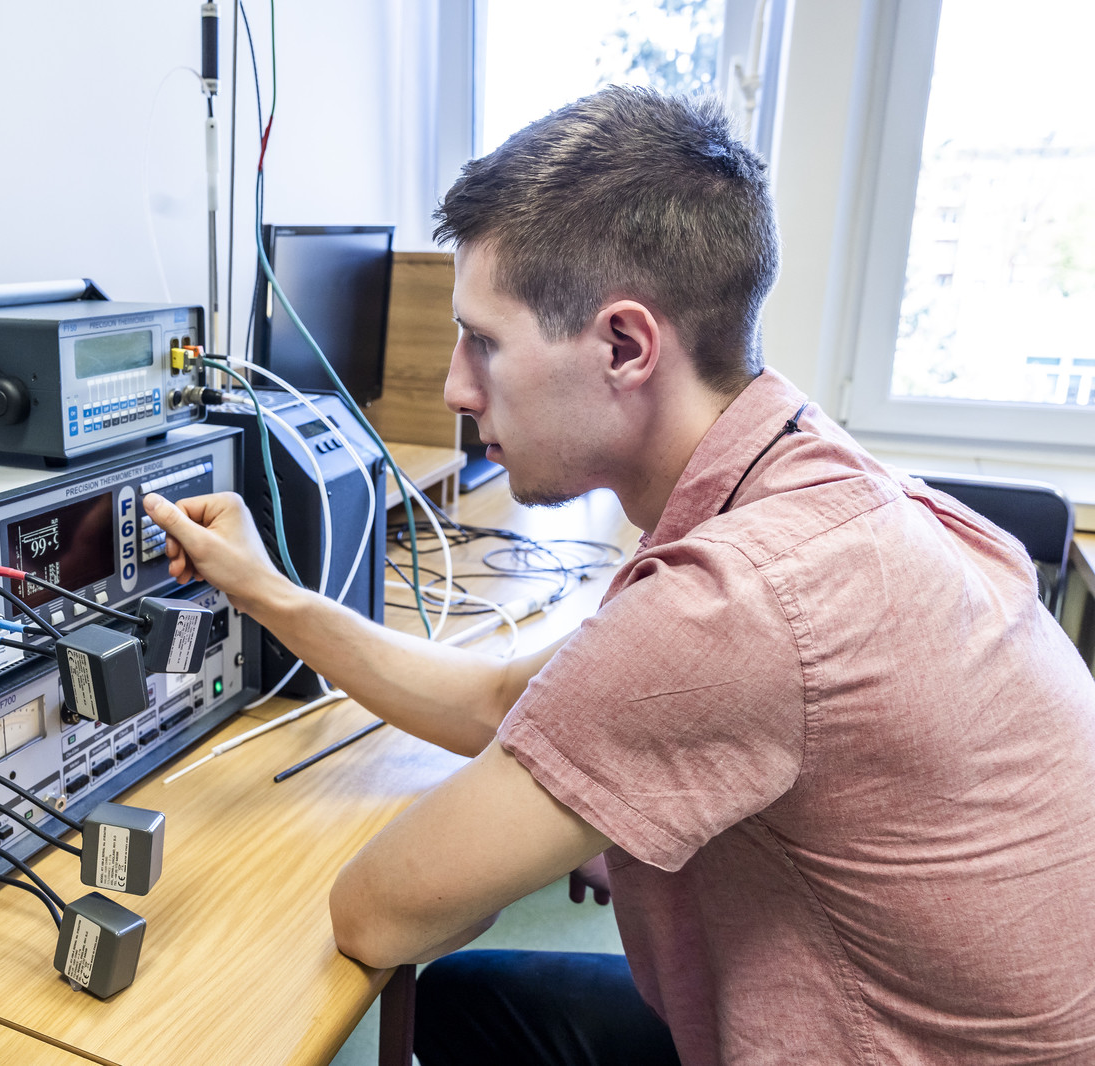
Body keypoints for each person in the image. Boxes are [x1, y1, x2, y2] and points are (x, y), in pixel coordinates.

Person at [142, 87, 1095, 1065]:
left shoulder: (738, 603)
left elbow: (377, 914)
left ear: (625, 346)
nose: (456, 388)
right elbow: (503, 702)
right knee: (471, 1002)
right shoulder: (805, 474)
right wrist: (264, 590)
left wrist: (516, 845)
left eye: (484, 341)